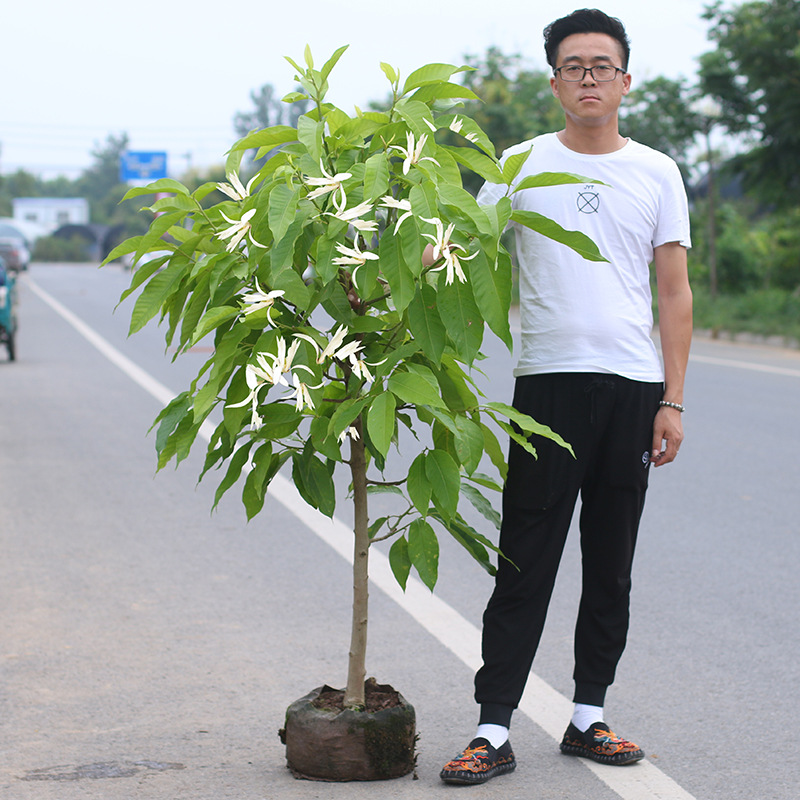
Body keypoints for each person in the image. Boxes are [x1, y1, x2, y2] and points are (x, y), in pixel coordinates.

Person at [439, 8, 692, 784]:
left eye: (601, 65)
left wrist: (673, 400)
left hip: (633, 388)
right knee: (525, 559)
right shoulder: (519, 164)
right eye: (574, 66)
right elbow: (463, 249)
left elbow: (674, 293)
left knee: (610, 561)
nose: (589, 78)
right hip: (547, 384)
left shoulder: (657, 171)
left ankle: (589, 716)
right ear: (554, 83)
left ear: (625, 80)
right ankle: (493, 728)